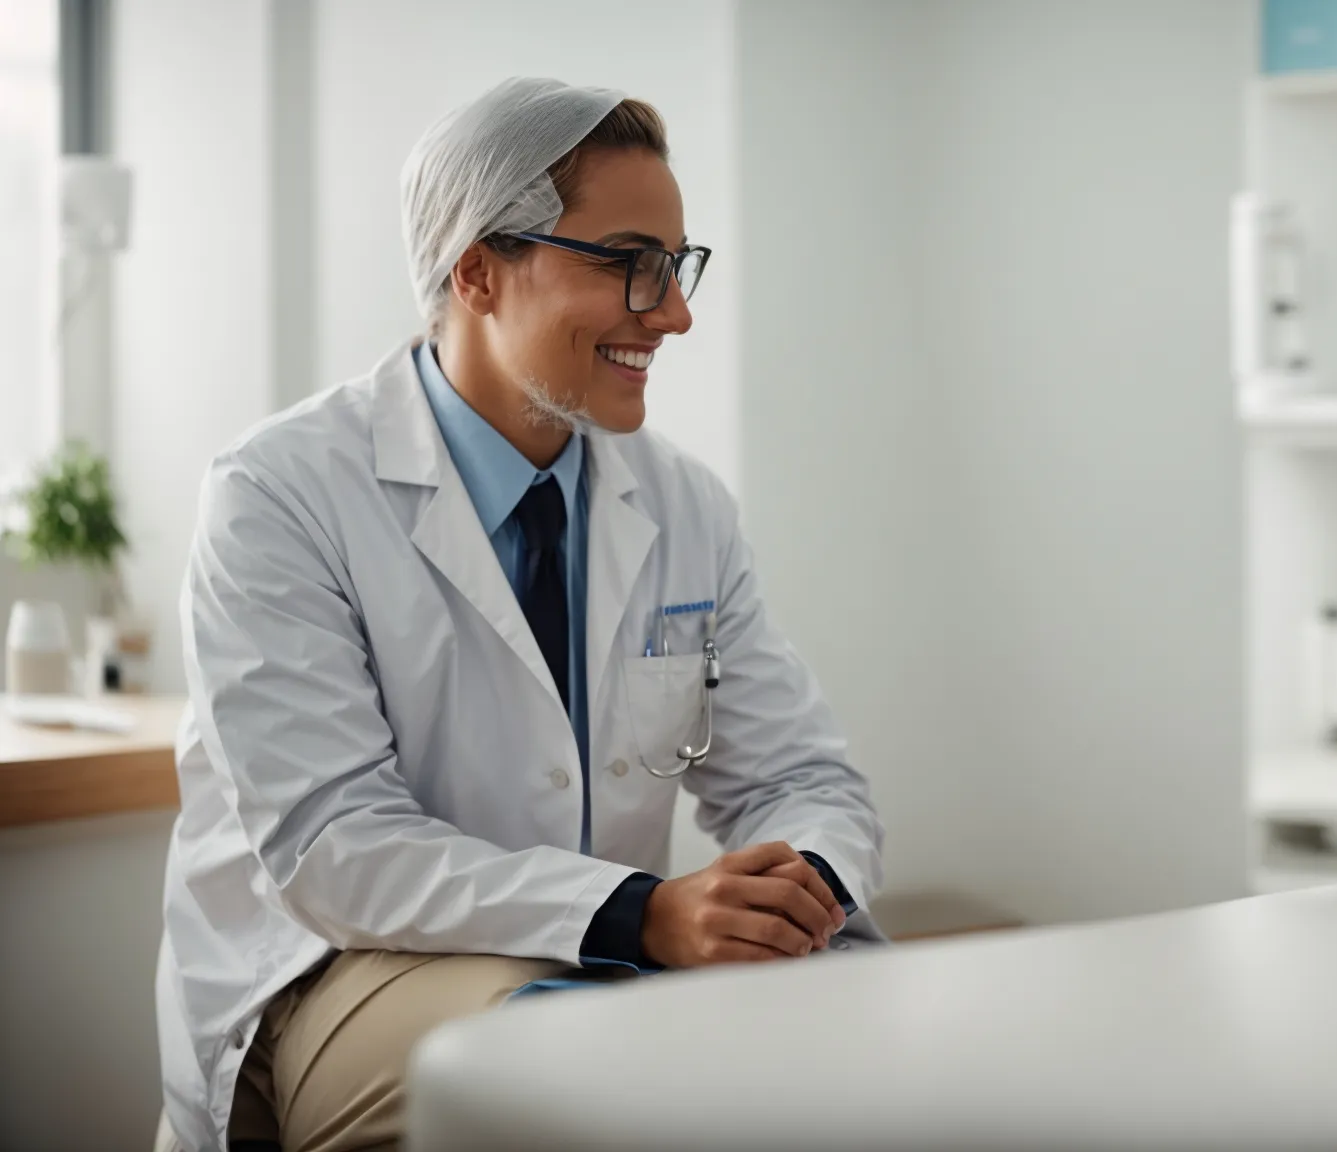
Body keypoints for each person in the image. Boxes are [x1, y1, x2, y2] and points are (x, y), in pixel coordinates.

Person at [155, 78, 884, 1152]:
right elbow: (332, 847)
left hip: (608, 956)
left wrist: (798, 894)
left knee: (860, 1031)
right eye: (632, 263)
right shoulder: (279, 494)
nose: (673, 312)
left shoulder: (680, 504)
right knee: (590, 1070)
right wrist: (641, 913)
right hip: (335, 972)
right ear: (479, 271)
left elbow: (800, 780)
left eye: (677, 268)